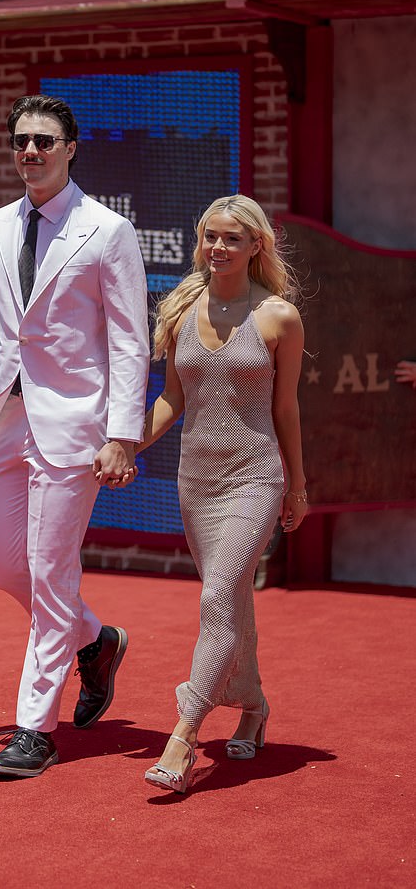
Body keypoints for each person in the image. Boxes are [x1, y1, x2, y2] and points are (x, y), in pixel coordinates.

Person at [0, 94, 150, 778]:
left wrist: (122, 433)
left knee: (49, 573)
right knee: (5, 567)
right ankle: (96, 640)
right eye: (21, 141)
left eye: (45, 140)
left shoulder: (107, 231)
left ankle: (34, 729)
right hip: (6, 419)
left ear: (72, 147)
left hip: (75, 426)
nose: (31, 151)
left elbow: (132, 343)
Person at [138, 194, 307, 794]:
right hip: (197, 480)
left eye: (232, 238)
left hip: (256, 477)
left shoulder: (279, 317)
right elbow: (172, 400)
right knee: (231, 599)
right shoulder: (182, 308)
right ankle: (255, 705)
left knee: (216, 595)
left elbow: (285, 409)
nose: (218, 248)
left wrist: (298, 486)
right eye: (210, 236)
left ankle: (184, 731)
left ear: (256, 245)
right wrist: (125, 446)